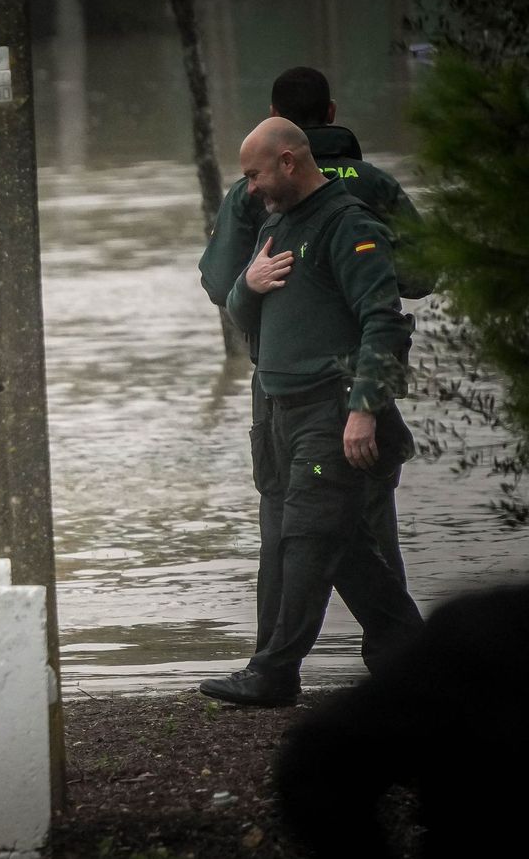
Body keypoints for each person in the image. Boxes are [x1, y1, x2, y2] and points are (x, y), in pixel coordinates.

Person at [197, 67, 428, 687]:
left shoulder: (336, 215)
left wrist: (362, 399)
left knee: (301, 527)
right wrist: (254, 284)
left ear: (288, 152)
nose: (251, 186)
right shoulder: (286, 206)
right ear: (333, 107)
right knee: (347, 534)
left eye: (254, 174)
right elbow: (426, 273)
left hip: (338, 403)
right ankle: (405, 658)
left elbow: (379, 315)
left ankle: (274, 668)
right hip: (285, 396)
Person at [274, 585, 529, 857]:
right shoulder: (489, 636)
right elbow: (316, 761)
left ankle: (273, 669)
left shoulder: (488, 630)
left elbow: (315, 762)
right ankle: (273, 669)